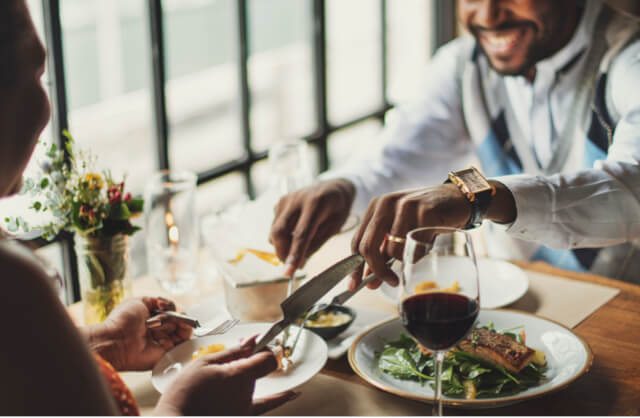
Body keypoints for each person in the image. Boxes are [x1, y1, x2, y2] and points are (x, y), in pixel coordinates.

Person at [0, 1, 296, 415]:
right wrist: (180, 410)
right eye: (36, 75)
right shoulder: (12, 280)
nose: (46, 112)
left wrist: (106, 344)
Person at [270, 0, 640, 288]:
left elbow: (628, 190)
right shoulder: (463, 65)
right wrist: (343, 186)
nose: (489, 15)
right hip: (516, 300)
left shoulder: (630, 58)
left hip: (625, 310)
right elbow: (399, 158)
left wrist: (479, 196)